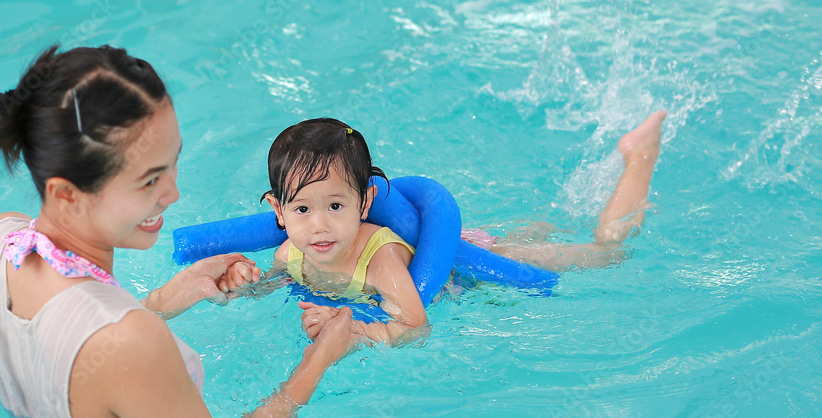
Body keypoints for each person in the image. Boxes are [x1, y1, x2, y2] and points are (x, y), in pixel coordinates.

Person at [0, 44, 354, 418]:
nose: (173, 194)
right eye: (149, 179)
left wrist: (166, 299)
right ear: (66, 194)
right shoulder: (135, 344)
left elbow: (67, 352)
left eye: (172, 163)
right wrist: (320, 357)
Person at [259, 112, 666, 345]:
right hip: (460, 245)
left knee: (608, 254)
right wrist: (241, 283)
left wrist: (355, 335)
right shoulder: (288, 254)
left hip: (477, 268)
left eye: (335, 205)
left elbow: (415, 327)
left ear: (365, 202)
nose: (319, 226)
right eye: (302, 209)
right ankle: (549, 219)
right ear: (279, 211)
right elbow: (266, 285)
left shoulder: (380, 262)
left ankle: (639, 158)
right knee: (538, 228)